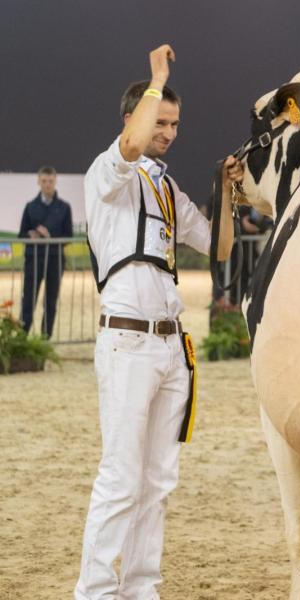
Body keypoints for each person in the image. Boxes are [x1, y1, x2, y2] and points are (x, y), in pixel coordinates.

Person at [75, 44, 242, 600]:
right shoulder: (109, 169)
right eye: (160, 120)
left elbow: (216, 246)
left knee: (157, 481)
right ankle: (96, 591)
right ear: (135, 116)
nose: (169, 131)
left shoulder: (167, 188)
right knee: (122, 477)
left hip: (172, 348)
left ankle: (141, 587)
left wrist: (228, 190)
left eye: (174, 123)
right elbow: (130, 146)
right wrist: (158, 77)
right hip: (126, 339)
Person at [18, 165, 73, 337]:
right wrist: (30, 235)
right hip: (33, 260)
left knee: (50, 302)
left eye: (50, 181)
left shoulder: (64, 208)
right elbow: (21, 234)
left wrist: (50, 236)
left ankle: (44, 340)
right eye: (44, 181)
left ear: (55, 181)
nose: (47, 184)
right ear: (38, 181)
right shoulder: (30, 207)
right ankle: (21, 337)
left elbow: (68, 236)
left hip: (55, 261)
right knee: (28, 301)